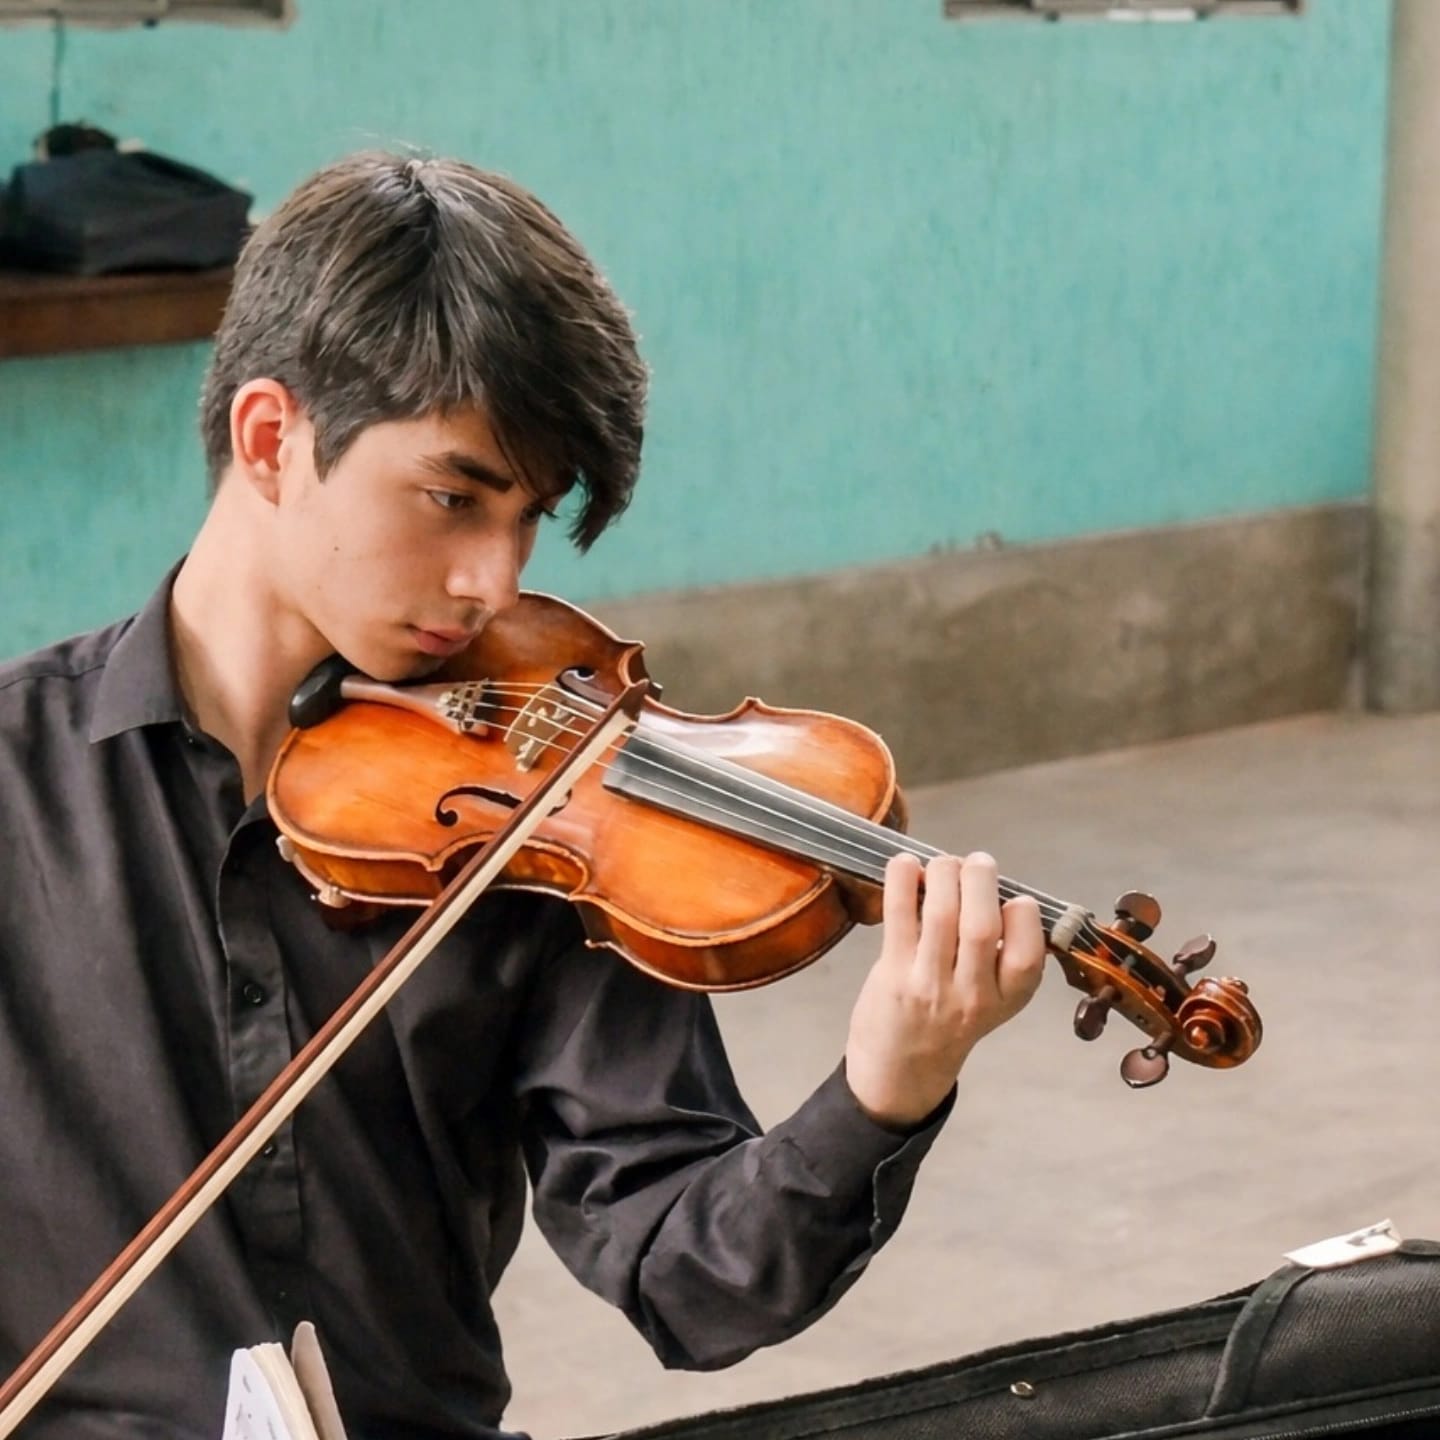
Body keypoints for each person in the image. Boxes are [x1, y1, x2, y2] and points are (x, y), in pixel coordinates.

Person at [0, 152, 1045, 1440]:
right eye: (453, 498)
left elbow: (688, 1276)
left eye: (531, 519)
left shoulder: (544, 817)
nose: (494, 582)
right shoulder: (12, 788)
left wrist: (887, 1085)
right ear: (272, 440)